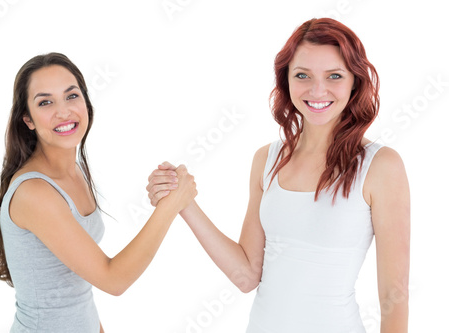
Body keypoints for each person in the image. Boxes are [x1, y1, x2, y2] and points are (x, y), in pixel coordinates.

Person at [147, 18, 410, 332]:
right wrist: (182, 202)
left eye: (334, 76)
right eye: (302, 75)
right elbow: (246, 276)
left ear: (355, 81)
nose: (317, 90)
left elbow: (394, 297)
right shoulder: (266, 160)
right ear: (286, 80)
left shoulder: (381, 166)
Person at [0, 52, 197, 333]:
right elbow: (113, 279)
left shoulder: (75, 170)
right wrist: (170, 206)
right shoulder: (34, 192)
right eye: (45, 102)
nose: (63, 111)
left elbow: (78, 289)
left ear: (86, 101)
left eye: (71, 96)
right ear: (28, 120)